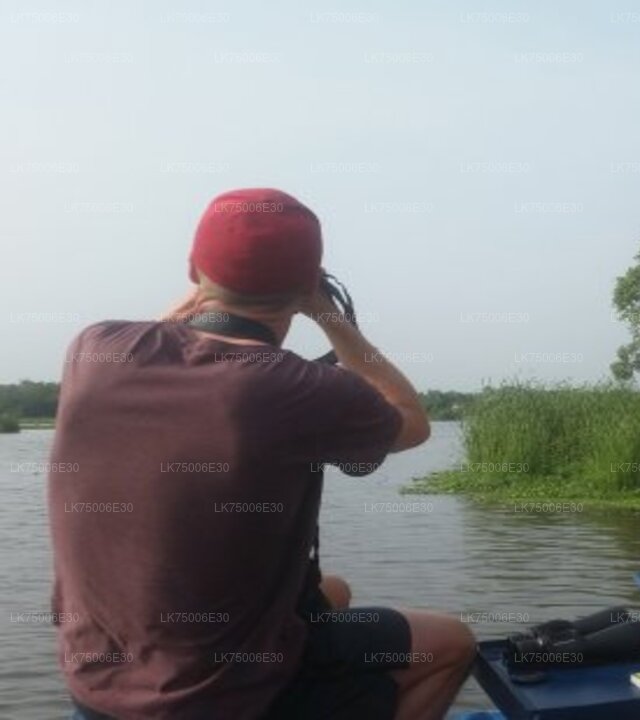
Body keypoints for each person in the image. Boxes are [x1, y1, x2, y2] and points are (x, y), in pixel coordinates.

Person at [48, 188, 474, 720]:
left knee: (334, 593)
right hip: (216, 697)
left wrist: (205, 295)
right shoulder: (303, 388)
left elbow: (165, 333)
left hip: (96, 682)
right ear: (308, 284)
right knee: (451, 643)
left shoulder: (94, 351)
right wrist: (329, 315)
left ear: (190, 268)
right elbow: (410, 420)